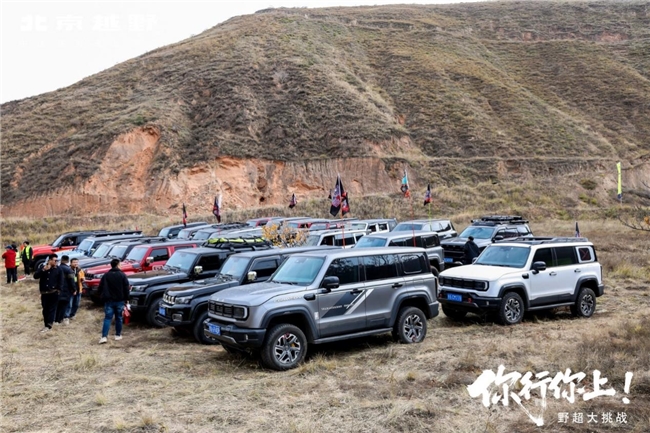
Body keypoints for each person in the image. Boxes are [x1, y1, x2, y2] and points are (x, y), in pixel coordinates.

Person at [98, 258, 130, 344]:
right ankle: (117, 335)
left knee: (107, 318)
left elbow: (100, 287)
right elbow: (126, 288)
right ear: (118, 265)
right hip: (120, 300)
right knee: (119, 318)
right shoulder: (122, 275)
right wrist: (127, 298)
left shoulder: (106, 275)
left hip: (109, 300)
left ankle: (104, 336)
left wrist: (101, 296)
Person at [34, 254, 63, 333]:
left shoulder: (58, 269)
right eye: (54, 260)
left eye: (57, 260)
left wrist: (59, 291)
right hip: (44, 293)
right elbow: (35, 276)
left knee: (51, 309)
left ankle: (49, 325)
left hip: (53, 292)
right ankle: (46, 323)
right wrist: (43, 270)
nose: (56, 262)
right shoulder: (43, 267)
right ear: (50, 260)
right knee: (45, 309)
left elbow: (61, 281)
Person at [55, 255, 75, 325]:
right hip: (66, 290)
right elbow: (72, 280)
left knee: (57, 305)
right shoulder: (69, 270)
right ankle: (60, 319)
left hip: (57, 290)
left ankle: (55, 320)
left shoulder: (57, 268)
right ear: (68, 261)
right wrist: (74, 289)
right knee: (64, 306)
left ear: (61, 260)